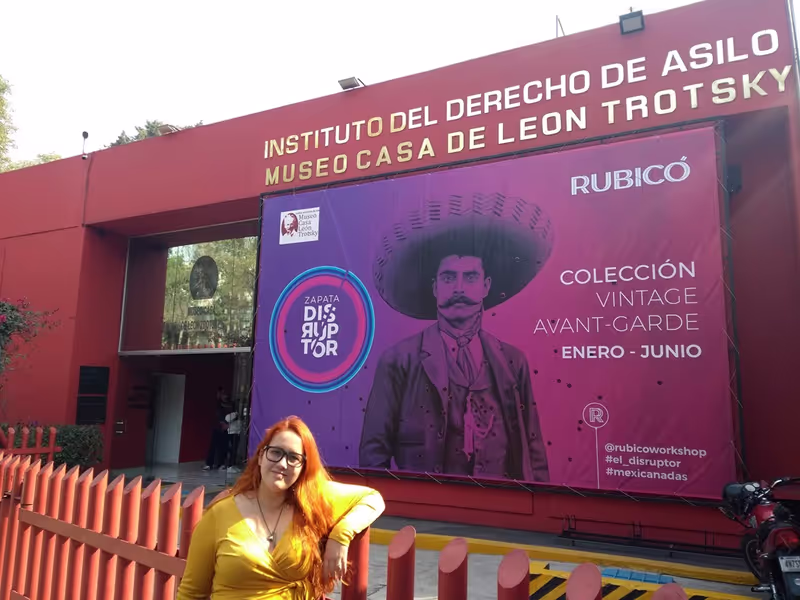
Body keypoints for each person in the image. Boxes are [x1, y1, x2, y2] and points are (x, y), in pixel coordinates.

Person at [359, 192, 554, 482]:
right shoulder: (398, 360)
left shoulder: (513, 362)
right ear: (435, 287)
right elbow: (374, 451)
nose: (459, 288)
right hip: (424, 508)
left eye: (471, 277)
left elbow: (533, 447)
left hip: (500, 506)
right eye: (449, 278)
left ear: (486, 286)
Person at [178, 416, 385, 600]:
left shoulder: (311, 504)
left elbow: (373, 498)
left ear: (303, 468)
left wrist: (340, 536)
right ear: (260, 457)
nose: (282, 464)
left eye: (293, 458)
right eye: (275, 452)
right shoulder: (219, 514)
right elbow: (191, 593)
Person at [204, 388, 232, 471]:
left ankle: (221, 463)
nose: (224, 396)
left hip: (227, 428)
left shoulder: (230, 404)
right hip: (217, 427)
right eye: (222, 394)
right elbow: (216, 415)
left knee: (223, 447)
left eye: (225, 394)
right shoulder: (217, 404)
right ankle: (209, 464)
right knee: (213, 446)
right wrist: (222, 423)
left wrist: (227, 424)